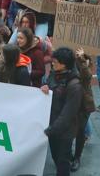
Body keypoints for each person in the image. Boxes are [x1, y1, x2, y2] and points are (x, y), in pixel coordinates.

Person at [41, 47, 83, 176]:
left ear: (64, 64)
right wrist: (45, 88)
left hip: (64, 130)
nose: (52, 63)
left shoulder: (74, 85)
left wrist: (52, 129)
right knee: (56, 156)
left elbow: (68, 113)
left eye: (55, 61)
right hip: (53, 125)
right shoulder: (55, 73)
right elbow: (48, 84)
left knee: (62, 161)